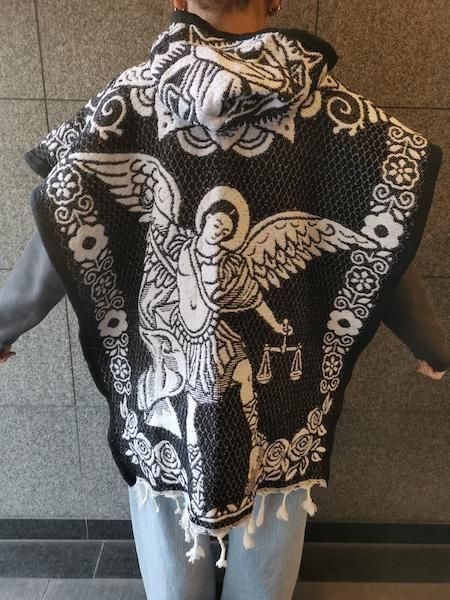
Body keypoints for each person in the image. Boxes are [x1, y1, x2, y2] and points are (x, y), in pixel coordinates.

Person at [0, 1, 449, 599]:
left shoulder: (130, 101)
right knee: (269, 547)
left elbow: (65, 221)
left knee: (169, 542)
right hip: (283, 395)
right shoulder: (334, 113)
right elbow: (384, 234)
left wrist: (6, 323)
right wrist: (431, 344)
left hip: (164, 386)